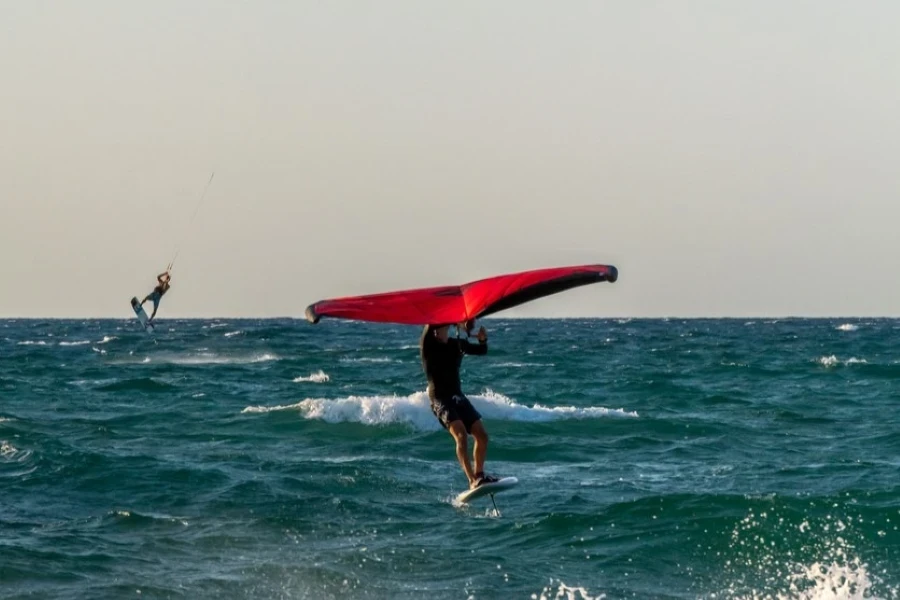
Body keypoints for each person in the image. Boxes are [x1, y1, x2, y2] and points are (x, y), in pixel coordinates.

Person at [420, 318, 499, 490]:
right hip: (440, 399)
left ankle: (480, 475)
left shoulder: (457, 344)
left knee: (482, 436)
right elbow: (430, 324)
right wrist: (456, 316)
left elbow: (482, 350)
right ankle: (472, 480)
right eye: (434, 330)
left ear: (447, 328)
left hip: (457, 396)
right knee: (461, 435)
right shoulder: (428, 347)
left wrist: (482, 338)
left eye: (439, 328)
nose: (435, 332)